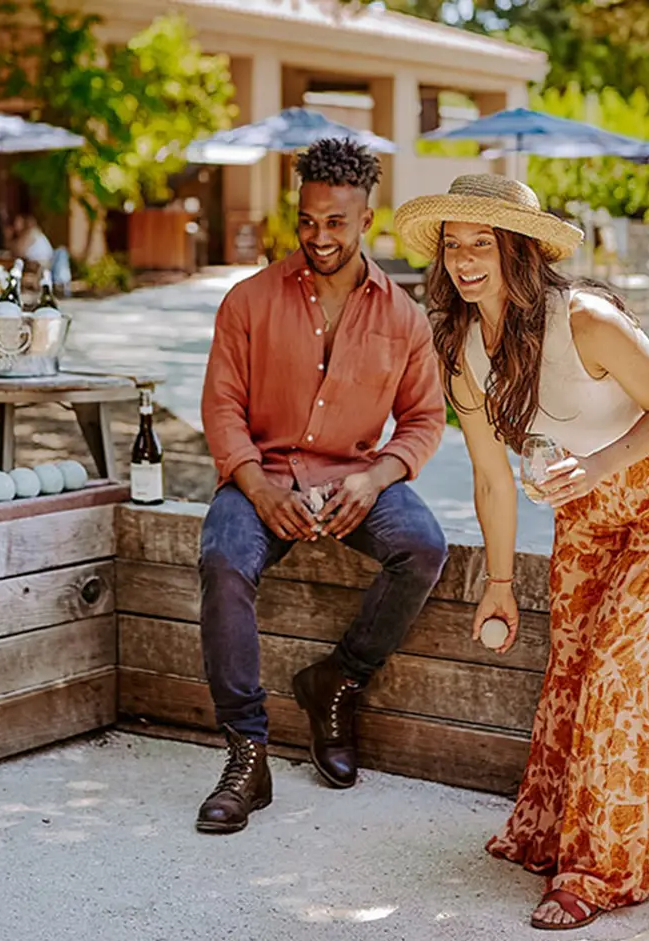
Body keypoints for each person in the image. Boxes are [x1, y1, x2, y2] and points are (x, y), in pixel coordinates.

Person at [394, 174, 649, 930]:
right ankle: (557, 830)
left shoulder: (587, 320)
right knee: (573, 664)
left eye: (484, 243)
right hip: (586, 506)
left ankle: (602, 869)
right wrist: (501, 582)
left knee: (624, 673)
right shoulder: (462, 352)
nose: (466, 259)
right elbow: (490, 478)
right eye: (454, 244)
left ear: (522, 251)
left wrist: (601, 467)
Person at [198, 138, 448, 834]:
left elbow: (426, 420)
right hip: (261, 474)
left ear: (368, 218)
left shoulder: (403, 316)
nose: (319, 236)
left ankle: (337, 680)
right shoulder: (248, 301)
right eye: (308, 220)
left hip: (354, 479)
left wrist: (375, 479)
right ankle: (247, 754)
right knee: (222, 561)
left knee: (424, 546)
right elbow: (221, 407)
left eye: (336, 222)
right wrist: (254, 484)